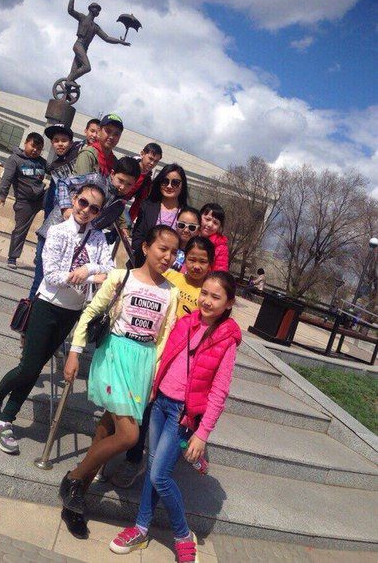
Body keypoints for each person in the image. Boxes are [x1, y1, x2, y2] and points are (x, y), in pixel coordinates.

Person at [109, 271, 241, 562]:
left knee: (159, 474)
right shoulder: (185, 322)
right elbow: (165, 356)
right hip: (160, 404)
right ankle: (141, 528)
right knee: (153, 469)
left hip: (182, 415)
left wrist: (202, 434)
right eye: (204, 293)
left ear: (229, 303)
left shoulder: (227, 339)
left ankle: (182, 534)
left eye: (216, 297)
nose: (207, 301)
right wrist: (152, 388)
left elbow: (219, 391)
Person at [59, 226, 180, 539]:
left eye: (173, 252)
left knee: (106, 429)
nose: (167, 257)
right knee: (128, 435)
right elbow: (91, 313)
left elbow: (164, 337)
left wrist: (154, 377)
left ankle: (75, 502)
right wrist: (74, 352)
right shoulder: (119, 278)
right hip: (114, 355)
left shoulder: (172, 292)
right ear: (146, 248)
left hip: (143, 365)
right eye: (162, 248)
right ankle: (74, 478)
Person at [0, 179, 114, 454]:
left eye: (94, 208)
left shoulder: (99, 237)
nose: (86, 210)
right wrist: (89, 276)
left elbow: (110, 269)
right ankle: (0, 410)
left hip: (72, 312)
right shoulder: (57, 231)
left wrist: (88, 269)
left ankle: (0, 407)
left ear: (99, 212)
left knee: (35, 366)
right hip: (47, 306)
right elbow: (52, 275)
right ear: (74, 199)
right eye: (83, 202)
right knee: (29, 367)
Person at [111, 236, 214, 490]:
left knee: (170, 416)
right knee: (143, 408)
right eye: (192, 259)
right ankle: (133, 458)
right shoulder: (171, 278)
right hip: (155, 354)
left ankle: (160, 462)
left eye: (203, 261)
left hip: (184, 368)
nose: (196, 265)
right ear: (184, 259)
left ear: (211, 264)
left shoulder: (209, 294)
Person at [28, 124, 80, 298]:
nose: (60, 144)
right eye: (56, 140)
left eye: (64, 140)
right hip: (52, 224)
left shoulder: (79, 155)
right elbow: (51, 202)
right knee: (39, 276)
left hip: (68, 225)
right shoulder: (55, 166)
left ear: (71, 142)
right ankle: (30, 306)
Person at [0, 132, 46, 269]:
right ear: (26, 143)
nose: (35, 150)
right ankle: (12, 257)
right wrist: (1, 196)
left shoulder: (41, 162)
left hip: (41, 197)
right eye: (33, 146)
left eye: (39, 149)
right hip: (25, 202)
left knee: (56, 212)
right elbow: (7, 178)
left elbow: (54, 169)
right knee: (20, 230)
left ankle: (39, 256)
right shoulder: (15, 159)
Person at [65, 0, 130, 87]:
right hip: (79, 45)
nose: (98, 11)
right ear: (91, 9)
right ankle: (69, 81)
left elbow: (107, 38)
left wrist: (120, 41)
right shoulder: (82, 18)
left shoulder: (96, 27)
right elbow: (70, 10)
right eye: (97, 9)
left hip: (84, 49)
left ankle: (67, 89)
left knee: (73, 73)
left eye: (99, 10)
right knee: (87, 67)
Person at [132, 164, 189, 267]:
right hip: (143, 264)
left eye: (175, 183)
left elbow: (187, 245)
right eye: (165, 181)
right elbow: (137, 238)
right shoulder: (147, 206)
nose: (169, 186)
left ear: (182, 185)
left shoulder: (187, 213)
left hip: (172, 269)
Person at [128, 143, 163, 222]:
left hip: (120, 206)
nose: (152, 163)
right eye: (150, 158)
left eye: (156, 161)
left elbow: (138, 204)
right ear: (142, 154)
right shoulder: (127, 165)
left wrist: (129, 221)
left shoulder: (147, 181)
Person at [200, 203, 229, 271]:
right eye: (207, 219)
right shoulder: (189, 232)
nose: (210, 225)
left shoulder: (221, 248)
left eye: (215, 223)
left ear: (219, 227)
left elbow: (220, 273)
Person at [172, 207, 201, 271]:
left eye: (192, 227)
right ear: (176, 225)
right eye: (181, 225)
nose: (186, 230)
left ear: (199, 230)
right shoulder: (166, 246)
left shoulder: (200, 254)